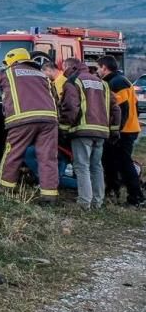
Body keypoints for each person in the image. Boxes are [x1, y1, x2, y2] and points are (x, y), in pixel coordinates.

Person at [0, 48, 60, 203]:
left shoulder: (9, 73)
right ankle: (49, 196)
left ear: (13, 61)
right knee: (48, 157)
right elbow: (55, 98)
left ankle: (6, 188)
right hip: (49, 120)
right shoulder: (43, 75)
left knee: (13, 153)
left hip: (22, 119)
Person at [59, 58, 117, 209]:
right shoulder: (102, 83)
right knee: (96, 166)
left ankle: (84, 203)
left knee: (82, 166)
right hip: (102, 131)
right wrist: (114, 129)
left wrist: (64, 127)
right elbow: (115, 108)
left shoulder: (74, 81)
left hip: (82, 130)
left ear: (69, 68)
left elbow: (71, 107)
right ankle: (98, 202)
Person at [96, 55, 144, 206]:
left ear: (104, 67)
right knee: (113, 162)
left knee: (124, 164)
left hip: (124, 131)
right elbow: (134, 106)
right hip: (130, 128)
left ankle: (136, 197)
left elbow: (119, 110)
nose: (97, 71)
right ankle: (115, 191)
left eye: (98, 68)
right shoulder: (124, 80)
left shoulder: (115, 83)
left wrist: (115, 131)